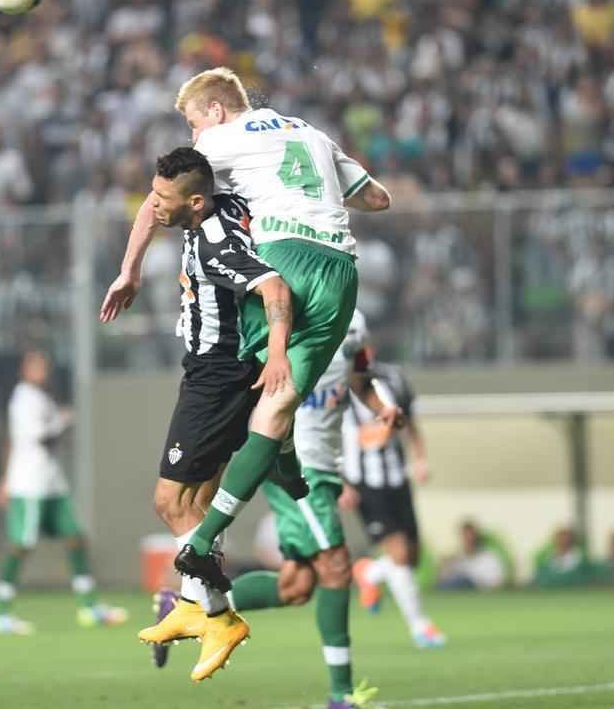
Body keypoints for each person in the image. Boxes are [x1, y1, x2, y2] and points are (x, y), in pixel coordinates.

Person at [102, 66, 393, 604]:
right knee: (279, 399)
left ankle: (206, 553)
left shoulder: (221, 139)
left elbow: (162, 197)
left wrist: (130, 270)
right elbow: (377, 199)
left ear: (215, 110)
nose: (194, 137)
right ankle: (279, 466)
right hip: (339, 269)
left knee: (260, 376)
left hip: (283, 259)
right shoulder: (313, 133)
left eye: (193, 123)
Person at [131, 147, 295, 681]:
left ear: (194, 201)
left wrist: (275, 354)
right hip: (221, 374)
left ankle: (214, 614)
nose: (153, 206)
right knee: (198, 501)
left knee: (170, 501)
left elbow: (273, 285)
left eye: (163, 199)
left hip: (215, 377)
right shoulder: (221, 206)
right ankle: (188, 601)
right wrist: (128, 268)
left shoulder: (212, 242)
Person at [223, 309, 395, 709]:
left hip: (325, 465)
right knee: (337, 566)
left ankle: (193, 603)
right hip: (295, 464)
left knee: (296, 586)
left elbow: (360, 371)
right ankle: (342, 695)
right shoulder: (280, 312)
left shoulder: (354, 320)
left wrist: (380, 406)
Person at [0, 349, 127, 634]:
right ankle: (0, 613)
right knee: (21, 545)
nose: (42, 370)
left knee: (75, 538)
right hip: (29, 484)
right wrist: (63, 420)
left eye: (44, 365)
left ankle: (89, 608)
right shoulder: (24, 399)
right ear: (23, 370)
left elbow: (13, 442)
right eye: (35, 365)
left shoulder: (40, 397)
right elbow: (42, 438)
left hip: (51, 482)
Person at [340, 357, 446, 648]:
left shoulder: (392, 379)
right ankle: (420, 626)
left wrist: (420, 459)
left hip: (397, 477)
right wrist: (342, 482)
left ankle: (370, 571)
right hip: (364, 482)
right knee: (398, 551)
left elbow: (409, 422)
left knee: (412, 554)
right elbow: (321, 433)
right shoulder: (330, 383)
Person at [437, 520, 508, 591]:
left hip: (478, 592)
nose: (467, 540)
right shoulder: (458, 559)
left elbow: (498, 582)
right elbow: (443, 577)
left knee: (462, 580)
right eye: (464, 537)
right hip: (457, 593)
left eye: (470, 537)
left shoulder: (489, 558)